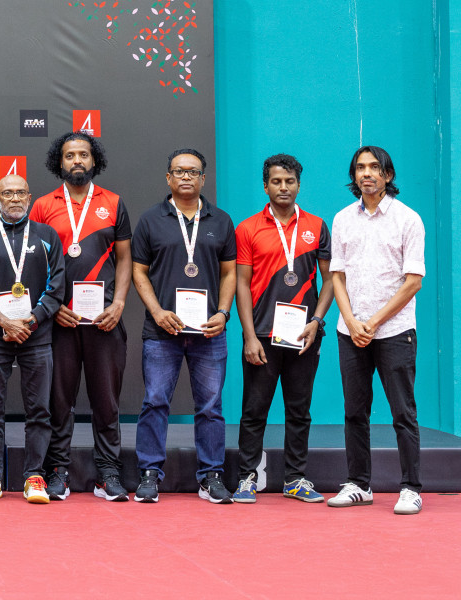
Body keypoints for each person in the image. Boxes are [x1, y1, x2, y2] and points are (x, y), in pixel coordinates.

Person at [29, 131, 132, 501]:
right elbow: (34, 265)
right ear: (60, 161)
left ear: (94, 161)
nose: (77, 161)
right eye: (70, 155)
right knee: (59, 401)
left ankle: (108, 473)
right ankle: (57, 471)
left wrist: (119, 303)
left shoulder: (114, 203)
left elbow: (124, 260)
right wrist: (52, 308)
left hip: (104, 320)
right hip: (60, 322)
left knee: (107, 402)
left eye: (84, 155)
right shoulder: (43, 205)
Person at [130, 148, 236, 503]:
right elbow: (138, 272)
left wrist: (223, 313)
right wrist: (157, 311)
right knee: (155, 402)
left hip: (209, 332)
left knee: (210, 407)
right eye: (179, 171)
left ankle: (211, 476)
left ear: (203, 178)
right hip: (163, 332)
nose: (186, 177)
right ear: (168, 178)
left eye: (193, 171)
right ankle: (149, 474)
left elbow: (229, 273)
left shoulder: (220, 221)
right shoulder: (150, 220)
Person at [328, 145, 425, 515]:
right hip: (349, 330)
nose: (366, 173)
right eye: (360, 168)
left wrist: (374, 321)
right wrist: (351, 320)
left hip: (395, 331)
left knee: (403, 413)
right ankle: (358, 484)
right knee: (355, 411)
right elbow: (337, 274)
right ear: (354, 175)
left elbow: (412, 282)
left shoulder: (408, 220)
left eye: (374, 167)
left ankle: (411, 488)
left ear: (387, 174)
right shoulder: (342, 219)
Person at [232, 154, 333, 504]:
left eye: (290, 181)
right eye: (276, 181)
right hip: (261, 335)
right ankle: (247, 477)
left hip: (304, 335)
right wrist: (247, 335)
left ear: (298, 185)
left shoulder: (317, 226)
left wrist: (317, 322)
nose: (283, 187)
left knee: (299, 410)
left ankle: (295, 479)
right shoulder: (247, 229)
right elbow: (241, 285)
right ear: (265, 186)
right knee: (254, 410)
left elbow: (331, 278)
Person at [0, 173, 64, 504]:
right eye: (6, 194)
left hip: (36, 337)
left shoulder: (47, 235)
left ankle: (34, 477)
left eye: (20, 193)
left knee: (39, 408)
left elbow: (57, 289)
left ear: (29, 197)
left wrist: (31, 320)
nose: (14, 199)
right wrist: (3, 321)